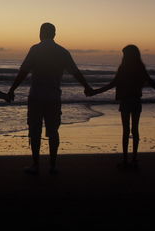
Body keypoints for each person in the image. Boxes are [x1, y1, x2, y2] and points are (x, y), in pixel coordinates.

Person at [8, 22, 93, 174]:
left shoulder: (35, 49)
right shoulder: (62, 52)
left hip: (36, 96)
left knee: (35, 131)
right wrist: (87, 87)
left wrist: (12, 90)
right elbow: (75, 72)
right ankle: (53, 166)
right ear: (54, 34)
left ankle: (35, 165)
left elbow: (23, 72)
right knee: (53, 131)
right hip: (53, 97)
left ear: (41, 33)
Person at [89, 44, 155, 168]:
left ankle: (125, 160)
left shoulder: (123, 68)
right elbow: (150, 81)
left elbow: (112, 84)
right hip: (135, 101)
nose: (123, 56)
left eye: (124, 54)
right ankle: (134, 159)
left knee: (126, 131)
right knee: (135, 130)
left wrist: (95, 92)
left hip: (126, 101)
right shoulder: (140, 68)